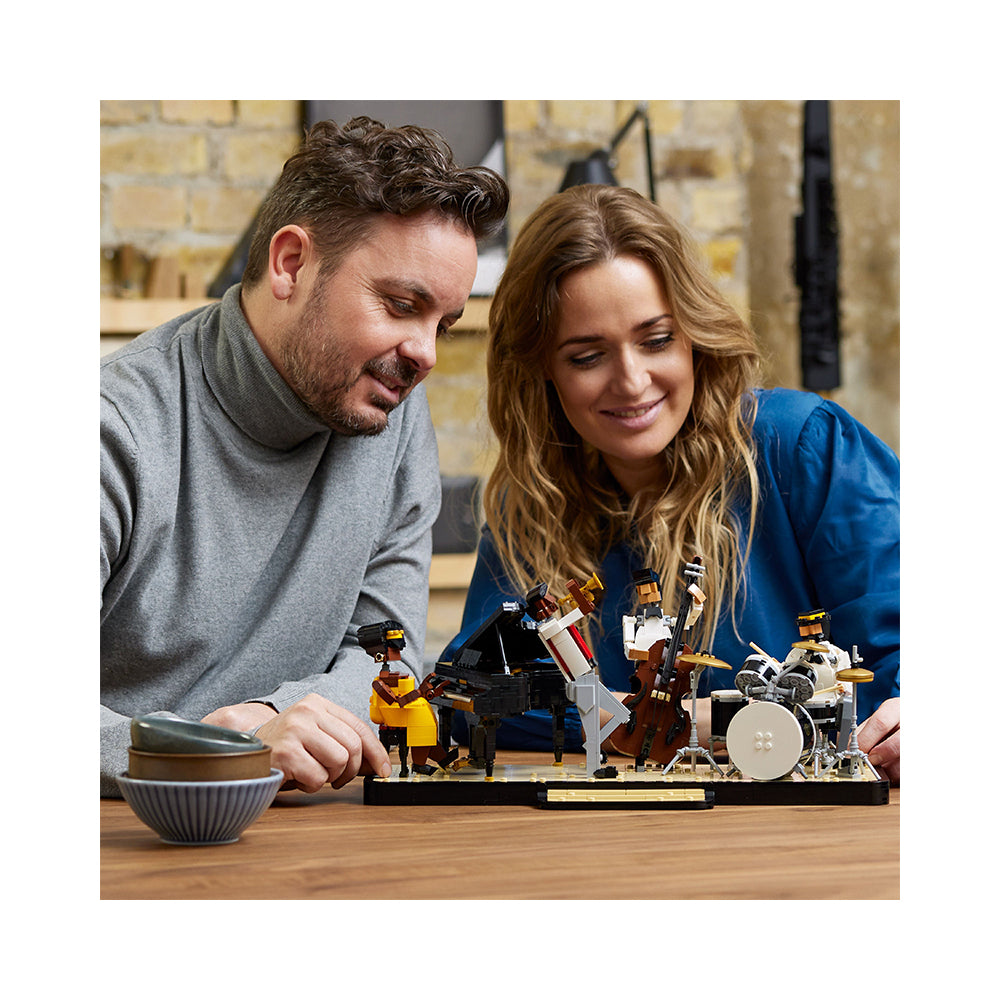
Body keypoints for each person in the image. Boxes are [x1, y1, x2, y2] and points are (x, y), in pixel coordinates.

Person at [101, 117, 509, 797]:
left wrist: (273, 720)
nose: (426, 354)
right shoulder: (112, 430)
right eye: (400, 305)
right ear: (290, 264)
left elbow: (388, 658)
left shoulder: (393, 417)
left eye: (442, 323)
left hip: (305, 826)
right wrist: (220, 749)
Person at [448, 184, 900, 783]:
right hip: (619, 832)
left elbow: (902, 672)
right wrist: (706, 724)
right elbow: (470, 695)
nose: (632, 382)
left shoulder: (803, 446)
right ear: (541, 371)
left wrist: (643, 722)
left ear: (693, 335)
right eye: (587, 356)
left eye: (657, 340)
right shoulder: (532, 505)